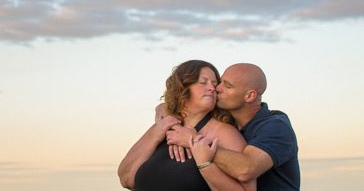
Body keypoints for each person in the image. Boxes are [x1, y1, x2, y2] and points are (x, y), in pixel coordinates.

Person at [118, 60, 255, 191]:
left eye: (214, 84)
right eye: (203, 82)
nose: (212, 88)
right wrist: (156, 134)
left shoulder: (225, 132)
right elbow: (126, 179)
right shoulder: (163, 125)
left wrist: (204, 162)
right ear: (183, 87)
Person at [168, 63, 300, 190]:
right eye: (220, 82)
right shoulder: (230, 121)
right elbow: (172, 105)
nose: (217, 88)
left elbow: (246, 169)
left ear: (249, 96)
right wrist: (164, 112)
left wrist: (193, 141)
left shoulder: (275, 126)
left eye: (228, 86)